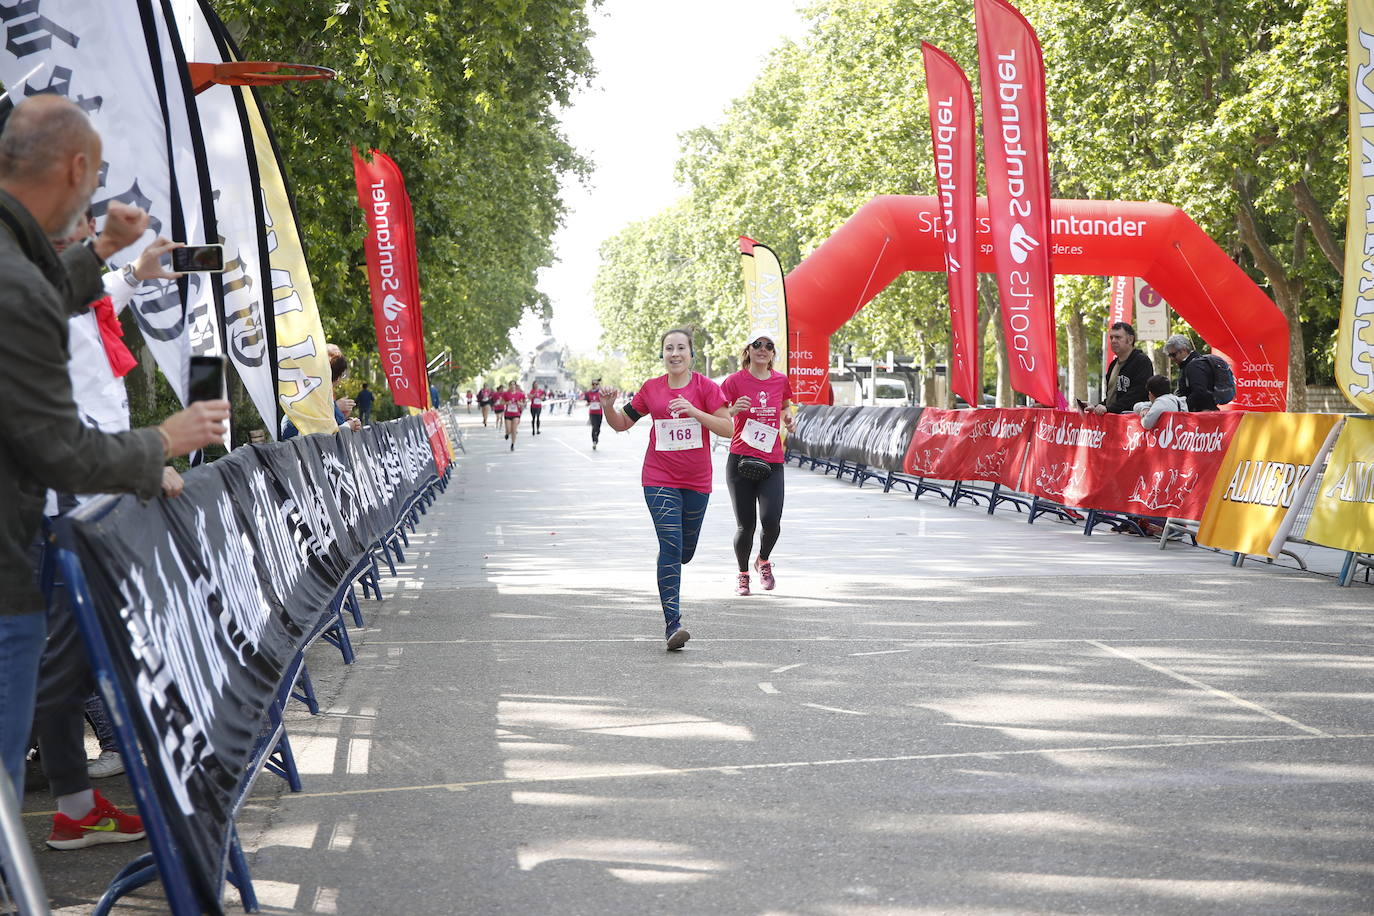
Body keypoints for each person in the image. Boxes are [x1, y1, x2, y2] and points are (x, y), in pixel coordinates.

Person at [0, 95, 229, 837]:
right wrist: (160, 442)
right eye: (95, 179)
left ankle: (70, 805)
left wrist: (102, 255)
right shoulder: (14, 277)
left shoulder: (18, 259)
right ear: (77, 168)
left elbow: (42, 295)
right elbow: (58, 447)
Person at [599, 329, 732, 650]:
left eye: (681, 348)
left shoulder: (706, 387)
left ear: (691, 354)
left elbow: (728, 428)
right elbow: (621, 424)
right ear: (663, 354)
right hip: (658, 478)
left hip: (697, 482)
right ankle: (673, 623)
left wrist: (695, 411)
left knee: (684, 551)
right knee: (671, 544)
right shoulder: (651, 389)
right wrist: (607, 406)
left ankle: (674, 600)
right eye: (669, 348)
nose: (675, 353)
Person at [721, 331, 796, 596]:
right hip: (740, 459)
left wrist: (787, 419)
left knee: (772, 521)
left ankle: (763, 560)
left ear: (773, 353)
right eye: (757, 345)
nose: (762, 349)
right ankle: (743, 574)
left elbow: (785, 407)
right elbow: (717, 413)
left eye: (768, 346)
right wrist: (732, 411)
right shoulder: (734, 381)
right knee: (746, 525)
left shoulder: (780, 381)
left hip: (772, 459)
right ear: (748, 350)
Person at [1091, 321, 1152, 415]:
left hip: (1132, 421)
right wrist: (1096, 407)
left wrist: (1109, 408)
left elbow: (1137, 394)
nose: (1113, 341)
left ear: (1130, 340)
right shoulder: (1113, 365)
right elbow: (1112, 398)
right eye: (1111, 337)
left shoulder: (1142, 361)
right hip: (1112, 420)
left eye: (1118, 337)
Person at [1162, 333, 1220, 412]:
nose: (1172, 358)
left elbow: (1199, 391)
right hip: (1200, 411)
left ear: (1183, 350)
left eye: (1173, 354)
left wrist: (1183, 407)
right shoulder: (1191, 363)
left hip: (1201, 413)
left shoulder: (1194, 365)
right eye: (1169, 355)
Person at [503, 380, 526, 451]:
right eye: (511, 385)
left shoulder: (520, 394)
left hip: (516, 414)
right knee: (509, 430)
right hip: (508, 414)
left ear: (515, 386)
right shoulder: (506, 394)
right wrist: (507, 402)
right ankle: (507, 433)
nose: (513, 386)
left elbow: (525, 402)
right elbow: (501, 402)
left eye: (514, 385)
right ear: (509, 386)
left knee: (514, 429)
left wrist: (520, 403)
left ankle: (512, 444)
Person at [585, 378, 603, 450]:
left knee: (598, 428)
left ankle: (596, 438)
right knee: (593, 427)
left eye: (596, 384)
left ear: (598, 385)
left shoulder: (600, 393)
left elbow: (603, 401)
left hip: (599, 412)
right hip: (592, 412)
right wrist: (588, 403)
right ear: (591, 385)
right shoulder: (588, 393)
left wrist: (601, 404)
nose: (594, 385)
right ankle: (594, 441)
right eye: (593, 384)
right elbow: (587, 401)